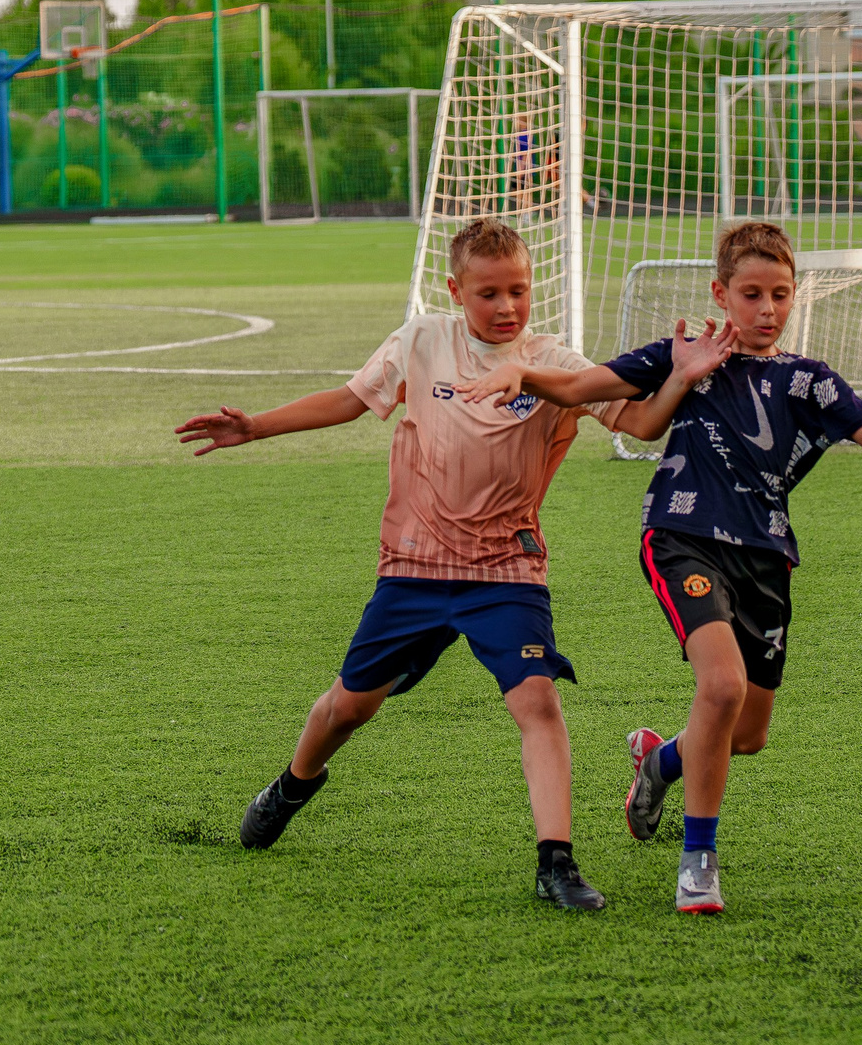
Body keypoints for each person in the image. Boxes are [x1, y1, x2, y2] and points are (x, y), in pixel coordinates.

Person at [173, 217, 732, 912]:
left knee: (538, 700)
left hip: (506, 568)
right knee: (350, 705)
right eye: (489, 292)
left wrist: (679, 378)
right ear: (455, 290)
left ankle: (555, 862)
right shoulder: (422, 341)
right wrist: (257, 424)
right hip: (413, 564)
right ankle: (292, 783)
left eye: (519, 290)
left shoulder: (554, 360)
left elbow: (639, 423)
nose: (506, 307)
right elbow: (348, 401)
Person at [458, 221, 862, 916]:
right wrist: (523, 371)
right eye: (751, 293)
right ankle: (699, 862)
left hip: (766, 558)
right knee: (720, 686)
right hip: (682, 535)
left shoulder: (811, 381)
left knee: (745, 733)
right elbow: (583, 386)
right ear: (722, 293)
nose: (767, 309)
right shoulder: (683, 355)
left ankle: (660, 763)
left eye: (780, 294)